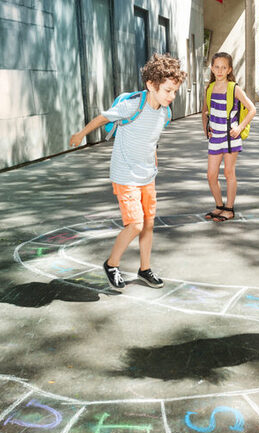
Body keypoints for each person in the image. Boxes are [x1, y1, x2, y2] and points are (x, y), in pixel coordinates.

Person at [69, 54, 186, 290]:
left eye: (175, 91)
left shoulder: (165, 113)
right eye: (167, 90)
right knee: (136, 224)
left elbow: (151, 140)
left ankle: (145, 269)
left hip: (147, 175)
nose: (171, 96)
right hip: (125, 174)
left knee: (149, 223)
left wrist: (154, 160)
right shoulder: (133, 104)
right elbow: (103, 118)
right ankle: (112, 264)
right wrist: (81, 134)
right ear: (151, 85)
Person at [202, 52, 257, 222]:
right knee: (211, 175)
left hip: (230, 137)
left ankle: (229, 209)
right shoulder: (210, 88)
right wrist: (206, 128)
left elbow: (252, 109)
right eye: (216, 67)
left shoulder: (234, 88)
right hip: (215, 137)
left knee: (228, 173)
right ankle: (219, 206)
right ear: (211, 68)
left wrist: (240, 128)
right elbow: (204, 111)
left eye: (223, 67)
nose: (219, 70)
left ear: (229, 69)